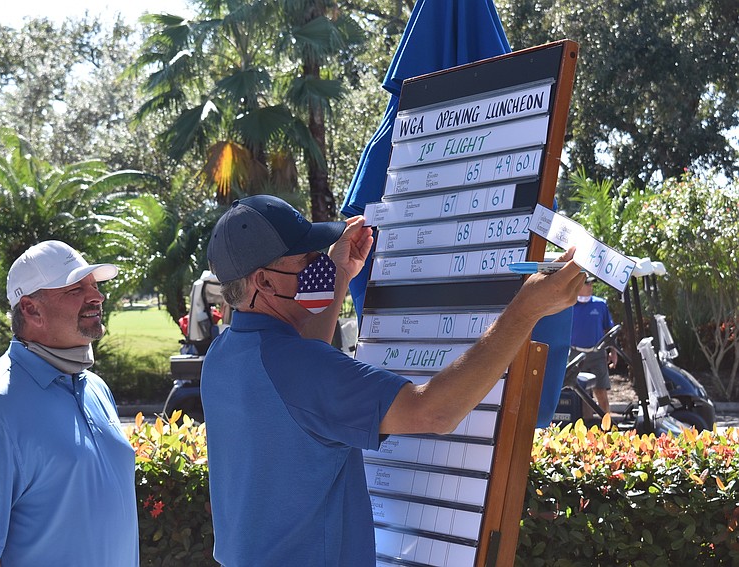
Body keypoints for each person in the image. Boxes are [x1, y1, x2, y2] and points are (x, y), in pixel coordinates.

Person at [200, 195, 585, 566]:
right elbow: (435, 412)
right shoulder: (302, 369)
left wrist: (339, 273)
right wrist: (526, 310)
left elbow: (302, 388)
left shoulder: (222, 358)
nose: (318, 264)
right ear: (264, 283)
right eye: (307, 260)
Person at [0, 241, 138, 567]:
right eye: (75, 288)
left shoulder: (95, 388)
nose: (97, 296)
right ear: (32, 310)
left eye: (94, 285)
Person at [570, 276, 617, 414]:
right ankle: (586, 428)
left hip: (597, 355)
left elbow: (609, 330)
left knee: (601, 392)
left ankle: (607, 429)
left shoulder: (600, 304)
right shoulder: (568, 306)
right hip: (576, 356)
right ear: (578, 285)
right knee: (580, 394)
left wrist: (613, 352)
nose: (590, 286)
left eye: (591, 284)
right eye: (587, 284)